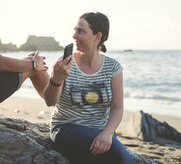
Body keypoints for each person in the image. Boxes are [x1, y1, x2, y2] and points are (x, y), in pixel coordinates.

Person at [43, 12, 135, 164]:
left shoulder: (113, 67)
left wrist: (107, 133)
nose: (74, 35)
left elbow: (117, 108)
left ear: (98, 37)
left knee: (112, 154)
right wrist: (56, 79)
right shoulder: (65, 64)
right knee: (117, 153)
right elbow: (49, 101)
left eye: (81, 31)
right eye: (75, 30)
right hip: (66, 128)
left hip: (101, 131)